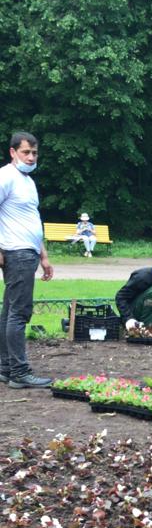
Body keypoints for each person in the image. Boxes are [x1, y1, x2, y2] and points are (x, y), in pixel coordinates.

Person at [0, 130, 53, 388]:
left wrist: (44, 256)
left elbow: (32, 220)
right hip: (16, 252)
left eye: (34, 153)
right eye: (26, 152)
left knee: (9, 311)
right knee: (19, 313)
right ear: (12, 152)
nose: (31, 157)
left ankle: (5, 367)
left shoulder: (28, 181)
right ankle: (19, 373)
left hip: (28, 252)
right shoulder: (6, 176)